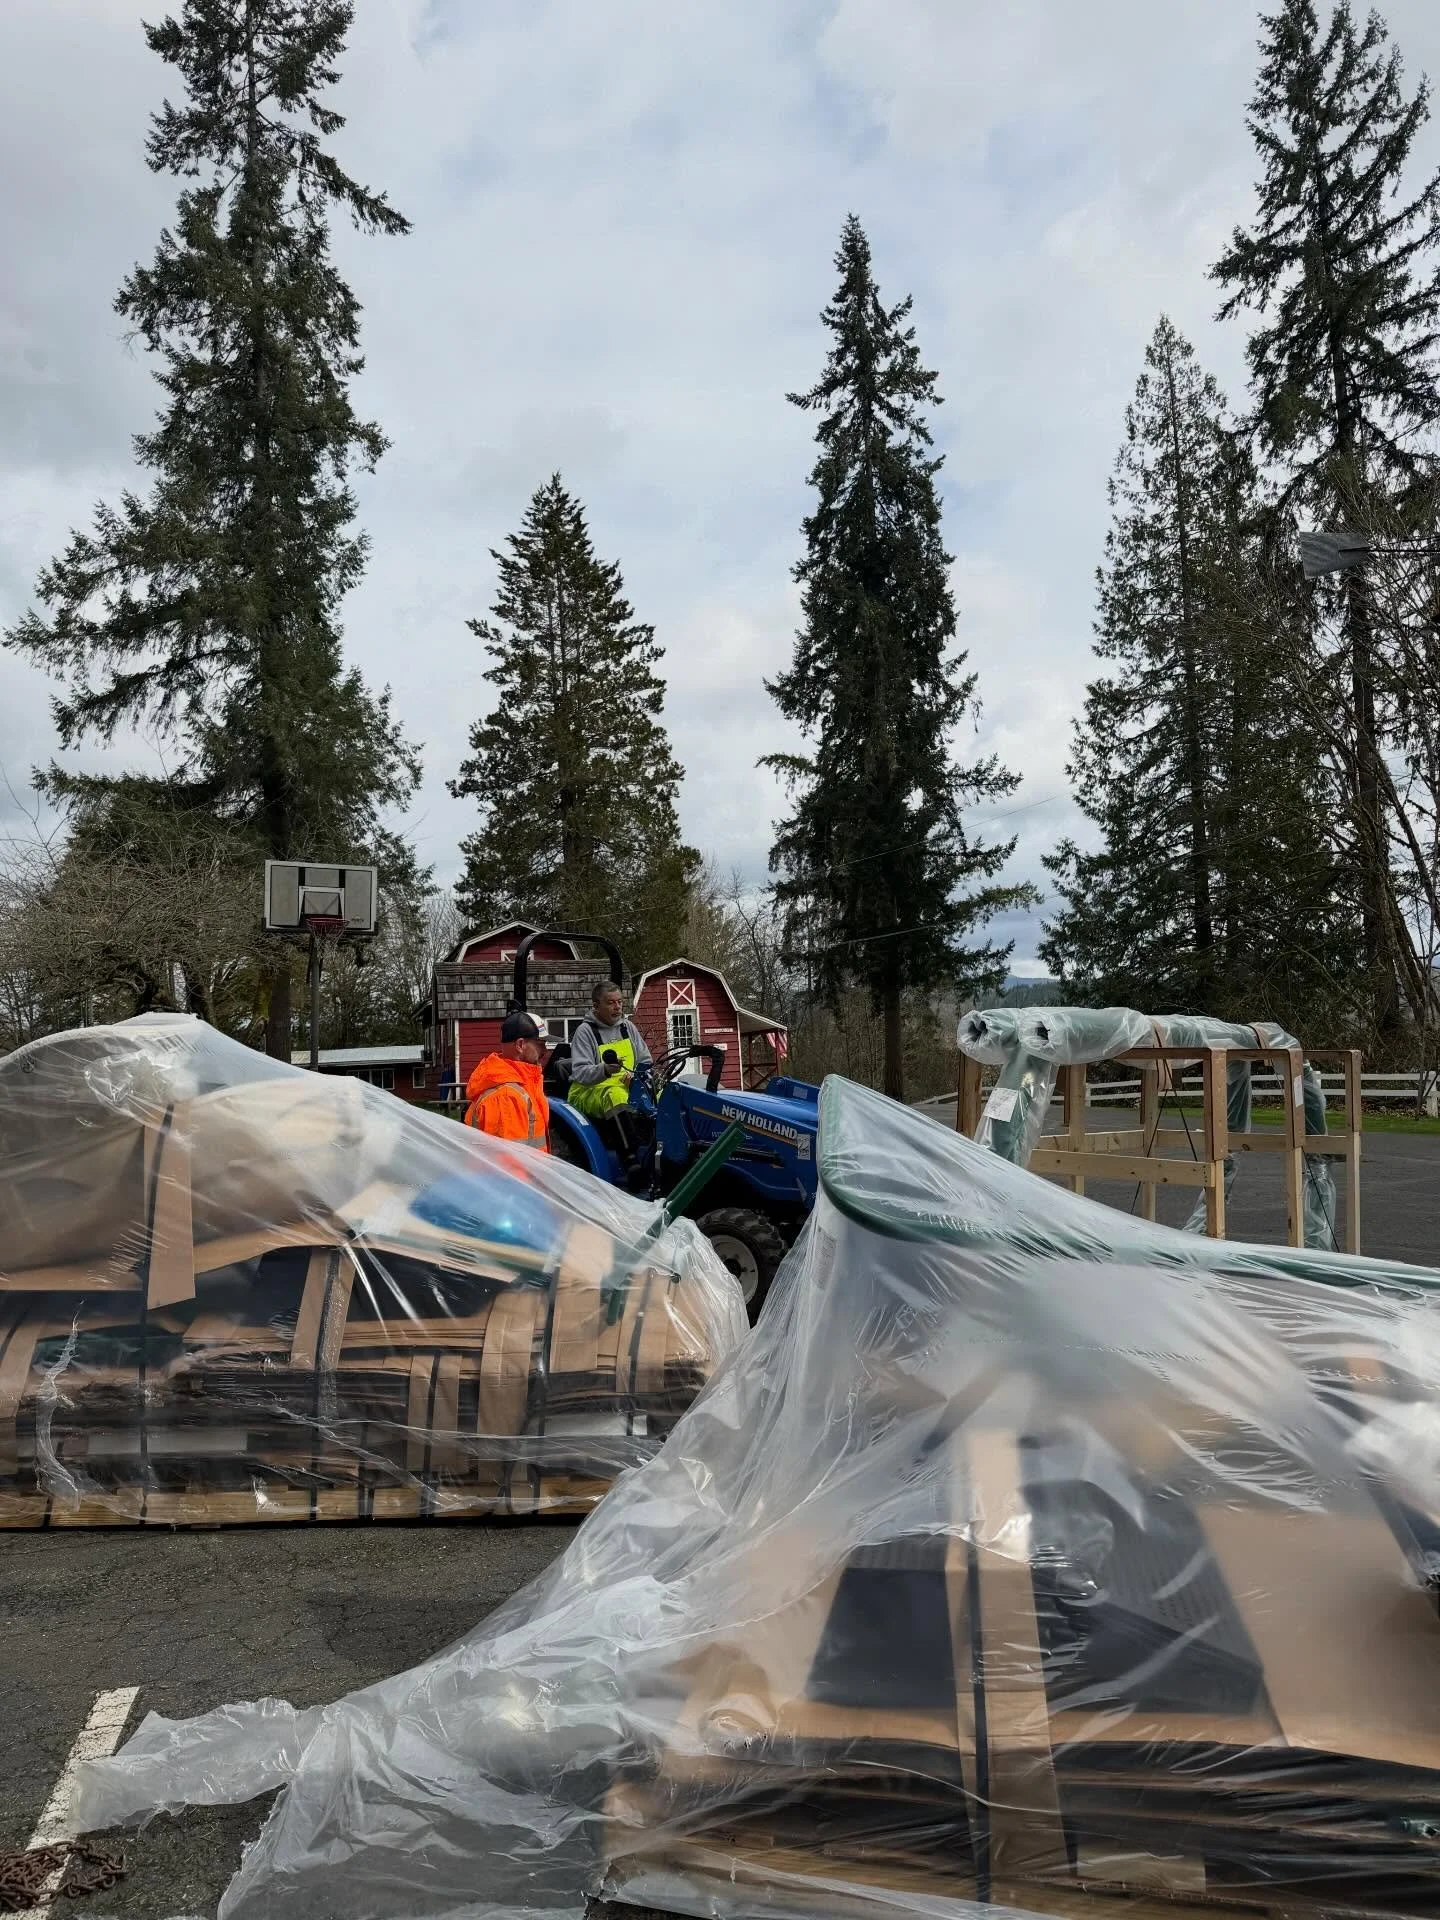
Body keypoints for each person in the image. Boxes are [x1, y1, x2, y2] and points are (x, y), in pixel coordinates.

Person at [463, 1009, 550, 1151]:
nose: (545, 1050)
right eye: (540, 1044)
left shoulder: (521, 1086)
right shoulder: (506, 1097)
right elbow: (509, 1164)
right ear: (520, 1045)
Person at [567, 978, 653, 1120]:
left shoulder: (628, 1027)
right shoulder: (585, 1032)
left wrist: (638, 1078)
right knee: (617, 1097)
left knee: (666, 1096)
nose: (617, 1007)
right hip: (589, 1091)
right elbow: (580, 1073)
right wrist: (605, 1069)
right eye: (611, 1003)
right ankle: (631, 1142)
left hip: (629, 1087)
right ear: (596, 1006)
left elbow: (645, 1061)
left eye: (619, 1001)